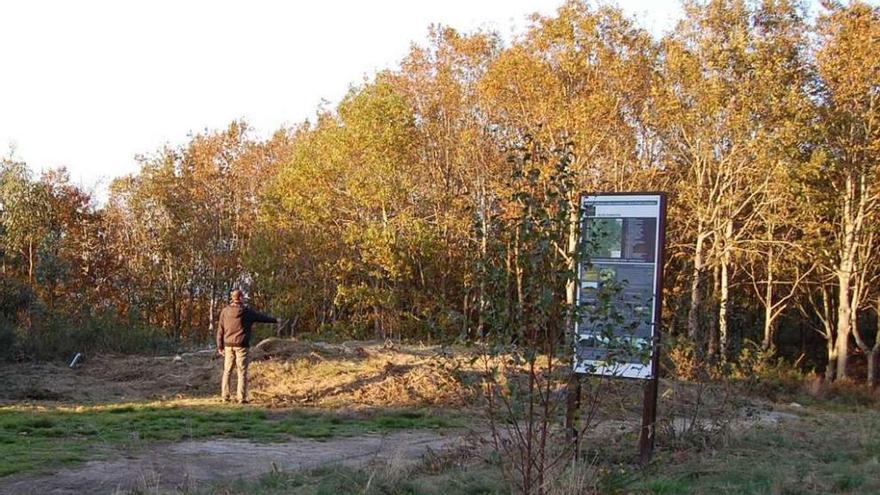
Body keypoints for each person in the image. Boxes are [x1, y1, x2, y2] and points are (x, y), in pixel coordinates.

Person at [216, 288, 279, 404]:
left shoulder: (225, 311)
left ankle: (225, 396)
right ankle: (241, 398)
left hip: (228, 345)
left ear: (232, 298)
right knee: (242, 371)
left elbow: (220, 329)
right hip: (242, 345)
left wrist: (220, 346)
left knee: (227, 371)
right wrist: (275, 320)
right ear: (240, 298)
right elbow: (262, 318)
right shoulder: (246, 312)